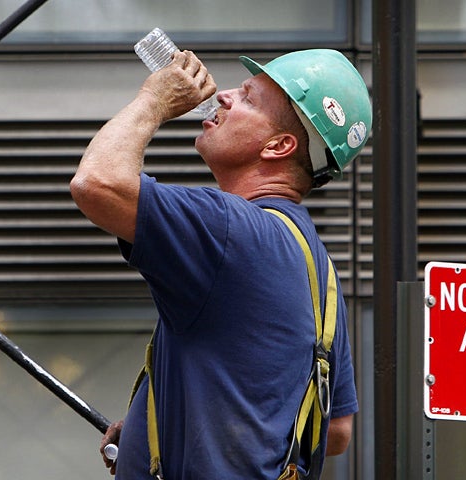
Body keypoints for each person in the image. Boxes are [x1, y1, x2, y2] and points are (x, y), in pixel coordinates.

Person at [70, 47, 371, 479]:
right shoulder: (316, 268)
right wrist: (158, 424)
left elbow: (97, 182)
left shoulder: (231, 230)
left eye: (248, 98)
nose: (225, 96)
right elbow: (336, 430)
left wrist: (155, 99)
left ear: (279, 146)